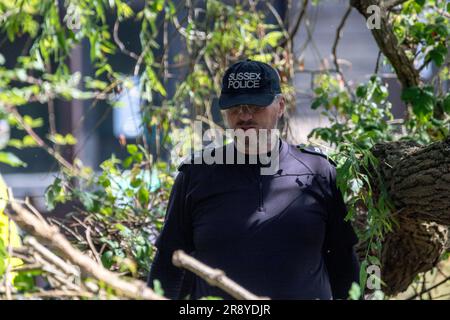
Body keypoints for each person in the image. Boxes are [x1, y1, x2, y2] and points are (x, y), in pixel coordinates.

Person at [147, 59, 360, 300]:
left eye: (255, 106)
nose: (244, 116)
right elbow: (168, 265)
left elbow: (343, 262)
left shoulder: (318, 172)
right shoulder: (196, 175)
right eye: (235, 107)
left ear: (280, 106)